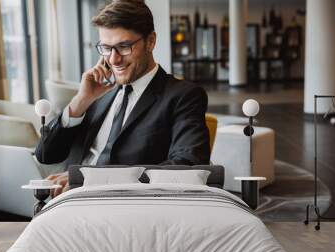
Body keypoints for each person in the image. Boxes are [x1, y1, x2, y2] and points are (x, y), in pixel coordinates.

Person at [35, 0, 210, 197]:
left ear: (151, 41)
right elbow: (45, 155)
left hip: (124, 204)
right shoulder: (98, 93)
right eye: (106, 48)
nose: (113, 59)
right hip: (69, 199)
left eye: (124, 46)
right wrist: (81, 100)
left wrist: (92, 178)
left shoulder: (183, 96)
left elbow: (187, 165)